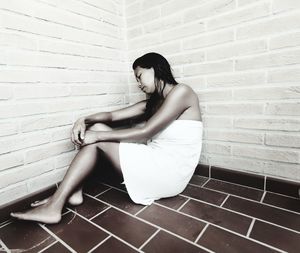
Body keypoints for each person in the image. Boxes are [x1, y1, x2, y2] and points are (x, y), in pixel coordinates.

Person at [10, 52, 203, 224]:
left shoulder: (182, 92)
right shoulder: (154, 103)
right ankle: (71, 192)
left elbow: (147, 132)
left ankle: (55, 204)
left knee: (97, 137)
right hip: (157, 161)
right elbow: (112, 116)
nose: (138, 83)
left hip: (169, 173)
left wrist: (98, 136)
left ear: (154, 68)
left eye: (139, 76)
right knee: (96, 128)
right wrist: (84, 119)